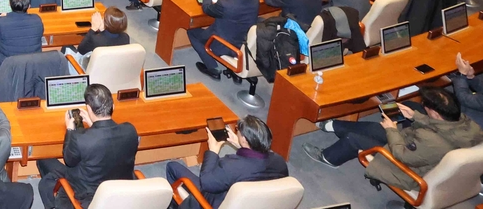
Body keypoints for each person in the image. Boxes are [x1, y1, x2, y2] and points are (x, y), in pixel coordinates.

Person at [307, 87, 483, 185]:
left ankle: (328, 158)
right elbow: (440, 126)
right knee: (376, 129)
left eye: (427, 108)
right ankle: (334, 126)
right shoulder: (464, 123)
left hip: (406, 168)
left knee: (354, 140)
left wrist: (392, 129)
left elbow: (402, 155)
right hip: (416, 147)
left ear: (436, 114)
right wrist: (415, 116)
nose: (424, 108)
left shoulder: (432, 141)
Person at [37, 83, 139, 209]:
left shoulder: (81, 138)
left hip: (89, 196)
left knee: (45, 180)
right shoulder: (130, 130)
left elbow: (69, 160)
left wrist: (70, 130)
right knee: (45, 161)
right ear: (113, 106)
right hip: (122, 190)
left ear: (89, 109)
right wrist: (93, 125)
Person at [165, 115, 287, 209]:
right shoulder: (279, 161)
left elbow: (206, 182)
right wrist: (240, 145)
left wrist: (213, 151)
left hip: (216, 202)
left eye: (237, 130)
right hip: (254, 203)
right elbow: (254, 163)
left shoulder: (231, 165)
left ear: (244, 139)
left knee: (172, 167)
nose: (236, 131)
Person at [188, 0, 259, 81]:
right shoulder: (255, 1)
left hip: (222, 44)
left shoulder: (225, 5)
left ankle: (212, 68)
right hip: (242, 44)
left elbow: (207, 9)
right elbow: (236, 2)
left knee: (191, 31)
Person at [0, 0, 43, 70]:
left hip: (7, 70)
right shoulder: (37, 20)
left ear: (9, 4)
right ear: (29, 6)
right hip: (32, 68)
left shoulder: (1, 22)